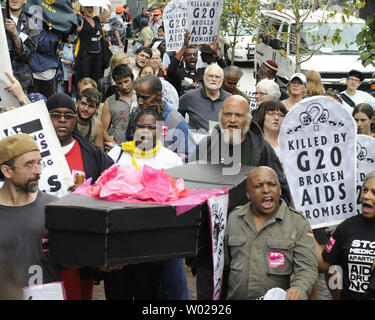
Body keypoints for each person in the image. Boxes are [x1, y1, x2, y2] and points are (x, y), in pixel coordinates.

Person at [189, 95, 291, 299]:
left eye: (238, 115)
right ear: (220, 117)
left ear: (249, 118)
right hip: (211, 245)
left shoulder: (262, 149)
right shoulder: (206, 147)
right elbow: (190, 192)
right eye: (227, 114)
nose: (232, 120)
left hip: (250, 243)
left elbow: (282, 192)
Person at [104, 108, 187, 300]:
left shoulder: (171, 160)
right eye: (141, 126)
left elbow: (179, 200)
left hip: (152, 244)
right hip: (119, 240)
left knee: (148, 293)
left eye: (152, 127)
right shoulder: (117, 154)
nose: (146, 131)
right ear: (134, 128)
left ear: (161, 130)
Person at [46, 92, 114, 300]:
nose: (62, 120)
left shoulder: (92, 154)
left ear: (75, 119)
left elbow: (113, 190)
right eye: (56, 115)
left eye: (68, 115)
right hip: (40, 246)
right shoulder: (31, 152)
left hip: (79, 247)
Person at [223, 166, 318, 300]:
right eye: (258, 186)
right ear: (248, 193)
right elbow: (222, 265)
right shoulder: (234, 218)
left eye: (272, 184)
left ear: (279, 190)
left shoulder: (297, 223)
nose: (266, 190)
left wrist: (298, 289)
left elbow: (307, 269)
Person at [0, 134, 61, 287]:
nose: (38, 171)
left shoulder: (54, 208)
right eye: (29, 165)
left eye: (39, 163)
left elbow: (72, 259)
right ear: (7, 171)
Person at [316, 170, 375, 300]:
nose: (366, 196)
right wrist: (305, 229)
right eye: (365, 190)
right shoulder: (346, 227)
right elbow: (324, 264)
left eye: (374, 193)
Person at [126, 75, 196, 162]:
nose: (140, 102)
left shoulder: (175, 121)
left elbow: (189, 157)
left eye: (145, 98)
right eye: (138, 96)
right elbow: (128, 145)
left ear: (159, 95)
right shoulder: (136, 114)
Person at [179, 64, 231, 132]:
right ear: (203, 77)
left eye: (217, 77)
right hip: (196, 141)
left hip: (221, 141)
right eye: (210, 76)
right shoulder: (190, 96)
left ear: (222, 80)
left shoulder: (230, 99)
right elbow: (176, 115)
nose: (214, 79)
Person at [3, 0, 39, 93]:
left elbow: (27, 56)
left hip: (21, 83)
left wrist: (15, 34)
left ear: (25, 1)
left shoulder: (32, 25)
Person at [102, 64, 137, 150]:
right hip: (119, 149)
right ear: (115, 83)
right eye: (120, 83)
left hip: (140, 148)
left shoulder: (141, 98)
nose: (124, 86)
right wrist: (114, 146)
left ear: (132, 79)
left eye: (126, 81)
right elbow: (102, 130)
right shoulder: (109, 102)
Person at [75, 5, 112, 84]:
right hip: (85, 56)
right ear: (82, 9)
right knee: (84, 81)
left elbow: (110, 10)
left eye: (91, 7)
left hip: (97, 55)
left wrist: (107, 3)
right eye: (87, 7)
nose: (90, 9)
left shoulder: (96, 19)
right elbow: (77, 29)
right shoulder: (80, 19)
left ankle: (94, 96)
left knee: (95, 81)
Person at [29, 23, 61, 99]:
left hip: (45, 71)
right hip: (39, 71)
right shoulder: (36, 17)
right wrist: (58, 30)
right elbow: (42, 43)